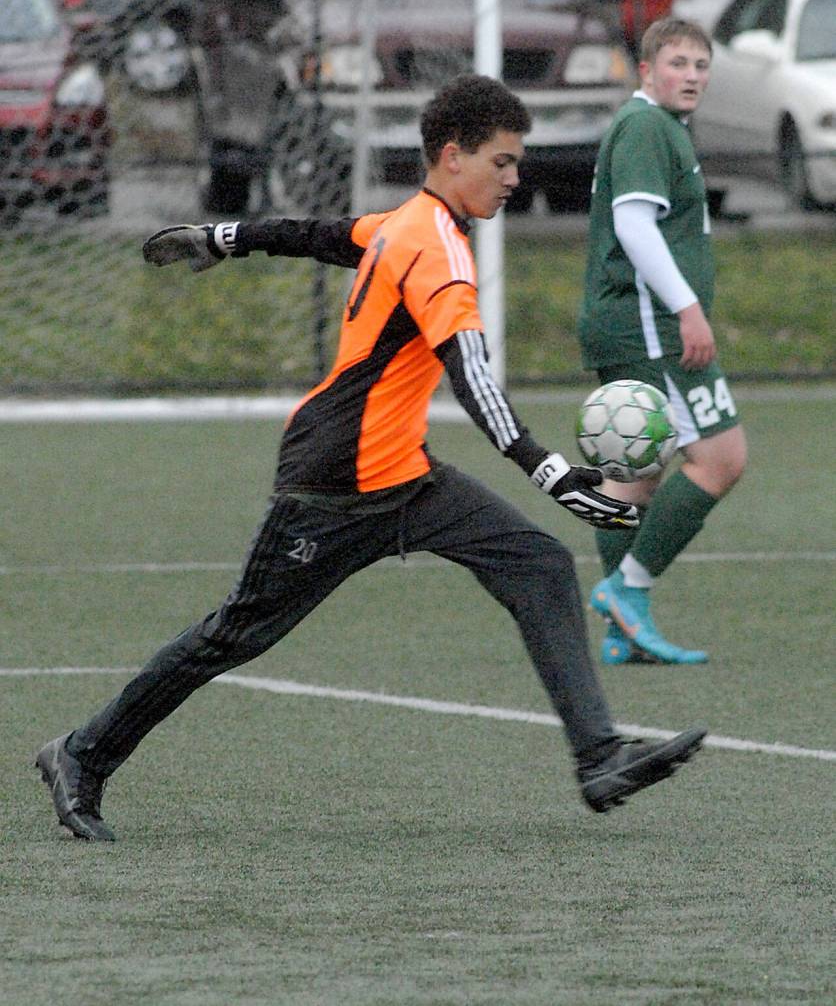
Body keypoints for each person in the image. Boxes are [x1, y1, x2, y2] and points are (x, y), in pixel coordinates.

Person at [35, 75, 706, 842]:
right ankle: (80, 754)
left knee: (539, 564)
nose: (516, 179)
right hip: (331, 484)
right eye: (504, 162)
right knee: (232, 634)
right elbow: (474, 379)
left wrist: (227, 237)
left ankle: (598, 757)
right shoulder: (439, 250)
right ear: (453, 157)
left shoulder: (404, 223)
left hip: (403, 477)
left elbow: (319, 233)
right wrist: (549, 469)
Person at [577, 19, 747, 666]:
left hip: (625, 321)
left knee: (635, 476)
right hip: (648, 323)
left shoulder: (655, 126)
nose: (693, 76)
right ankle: (629, 591)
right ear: (647, 69)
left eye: (701, 65)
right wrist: (687, 307)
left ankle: (623, 629)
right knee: (721, 456)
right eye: (678, 63)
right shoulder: (647, 125)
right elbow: (634, 224)